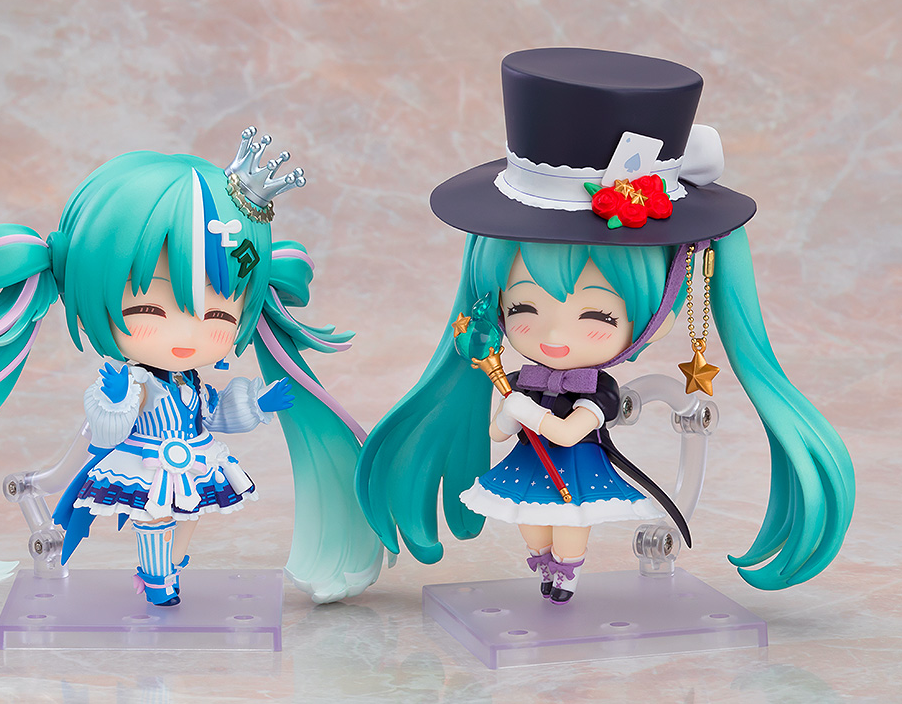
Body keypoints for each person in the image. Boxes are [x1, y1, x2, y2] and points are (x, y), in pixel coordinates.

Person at [356, 48, 854, 603]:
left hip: (576, 468)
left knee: (570, 528)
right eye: (522, 310)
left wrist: (526, 411)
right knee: (533, 527)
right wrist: (509, 411)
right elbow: (497, 432)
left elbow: (571, 433)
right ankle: (544, 567)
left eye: (596, 316)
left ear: (656, 320)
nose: (553, 337)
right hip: (530, 467)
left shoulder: (596, 390)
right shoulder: (520, 376)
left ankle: (564, 573)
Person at [0, 128, 382, 605]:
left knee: (189, 519)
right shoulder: (134, 379)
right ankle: (157, 578)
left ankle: (173, 566)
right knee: (154, 518)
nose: (187, 333)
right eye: (152, 308)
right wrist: (114, 399)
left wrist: (256, 405)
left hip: (192, 458)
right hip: (144, 459)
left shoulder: (192, 382)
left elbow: (214, 412)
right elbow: (103, 433)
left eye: (219, 315)